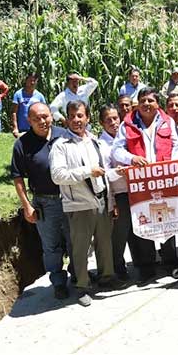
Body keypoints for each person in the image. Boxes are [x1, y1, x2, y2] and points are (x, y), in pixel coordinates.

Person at [49, 101, 121, 306]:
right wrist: (87, 171)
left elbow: (104, 173)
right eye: (71, 116)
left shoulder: (95, 141)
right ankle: (82, 286)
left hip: (101, 199)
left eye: (80, 115)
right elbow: (58, 175)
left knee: (104, 242)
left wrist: (112, 199)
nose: (76, 120)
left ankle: (107, 277)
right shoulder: (61, 145)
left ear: (87, 118)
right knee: (80, 248)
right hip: (79, 204)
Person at [112, 88, 178, 284]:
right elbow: (116, 150)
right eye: (143, 100)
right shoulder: (127, 123)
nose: (146, 104)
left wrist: (174, 164)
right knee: (144, 221)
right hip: (140, 183)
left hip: (163, 179)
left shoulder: (167, 121)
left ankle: (171, 261)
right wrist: (132, 158)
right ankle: (147, 266)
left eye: (150, 100)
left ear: (157, 103)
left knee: (167, 219)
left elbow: (177, 147)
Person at [11, 103, 72, 300]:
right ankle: (59, 282)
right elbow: (18, 177)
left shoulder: (64, 135)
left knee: (76, 241)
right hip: (45, 203)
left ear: (51, 117)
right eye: (36, 118)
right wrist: (26, 205)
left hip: (71, 198)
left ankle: (80, 276)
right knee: (51, 246)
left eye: (45, 116)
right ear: (29, 121)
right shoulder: (22, 144)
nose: (42, 121)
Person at [96, 104, 133, 284]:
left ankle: (141, 262)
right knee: (119, 235)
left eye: (115, 118)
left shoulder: (126, 136)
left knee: (136, 231)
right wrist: (118, 172)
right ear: (102, 123)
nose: (113, 123)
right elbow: (104, 173)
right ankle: (118, 267)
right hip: (117, 193)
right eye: (108, 120)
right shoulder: (101, 145)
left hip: (134, 190)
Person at [11, 73, 46, 138]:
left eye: (34, 81)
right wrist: (15, 128)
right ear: (26, 81)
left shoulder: (40, 96)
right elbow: (14, 112)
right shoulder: (18, 94)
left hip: (36, 128)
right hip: (22, 129)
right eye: (30, 80)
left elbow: (45, 113)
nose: (32, 83)